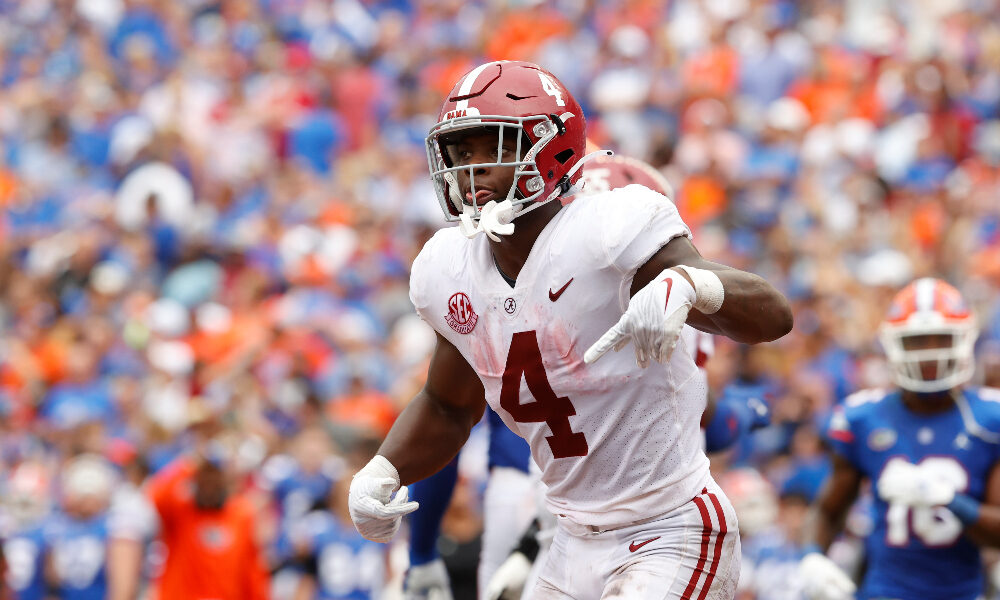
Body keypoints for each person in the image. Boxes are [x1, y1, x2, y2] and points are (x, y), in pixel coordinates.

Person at [348, 60, 793, 600]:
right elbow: (448, 405)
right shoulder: (449, 268)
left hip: (669, 526)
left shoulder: (606, 230)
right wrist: (383, 469)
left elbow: (773, 314)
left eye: (490, 145)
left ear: (550, 146)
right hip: (569, 537)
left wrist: (691, 286)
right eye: (460, 151)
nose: (470, 166)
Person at [404, 153, 772, 600]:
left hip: (574, 506)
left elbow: (447, 416)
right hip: (564, 515)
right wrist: (743, 415)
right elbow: (705, 421)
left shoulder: (499, 282)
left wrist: (422, 550)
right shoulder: (611, 268)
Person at [801, 277, 1000, 600]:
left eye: (940, 339)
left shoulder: (990, 419)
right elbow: (828, 510)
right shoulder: (863, 418)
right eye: (918, 341)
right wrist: (811, 555)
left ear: (964, 340)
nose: (929, 354)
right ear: (894, 345)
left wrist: (948, 500)